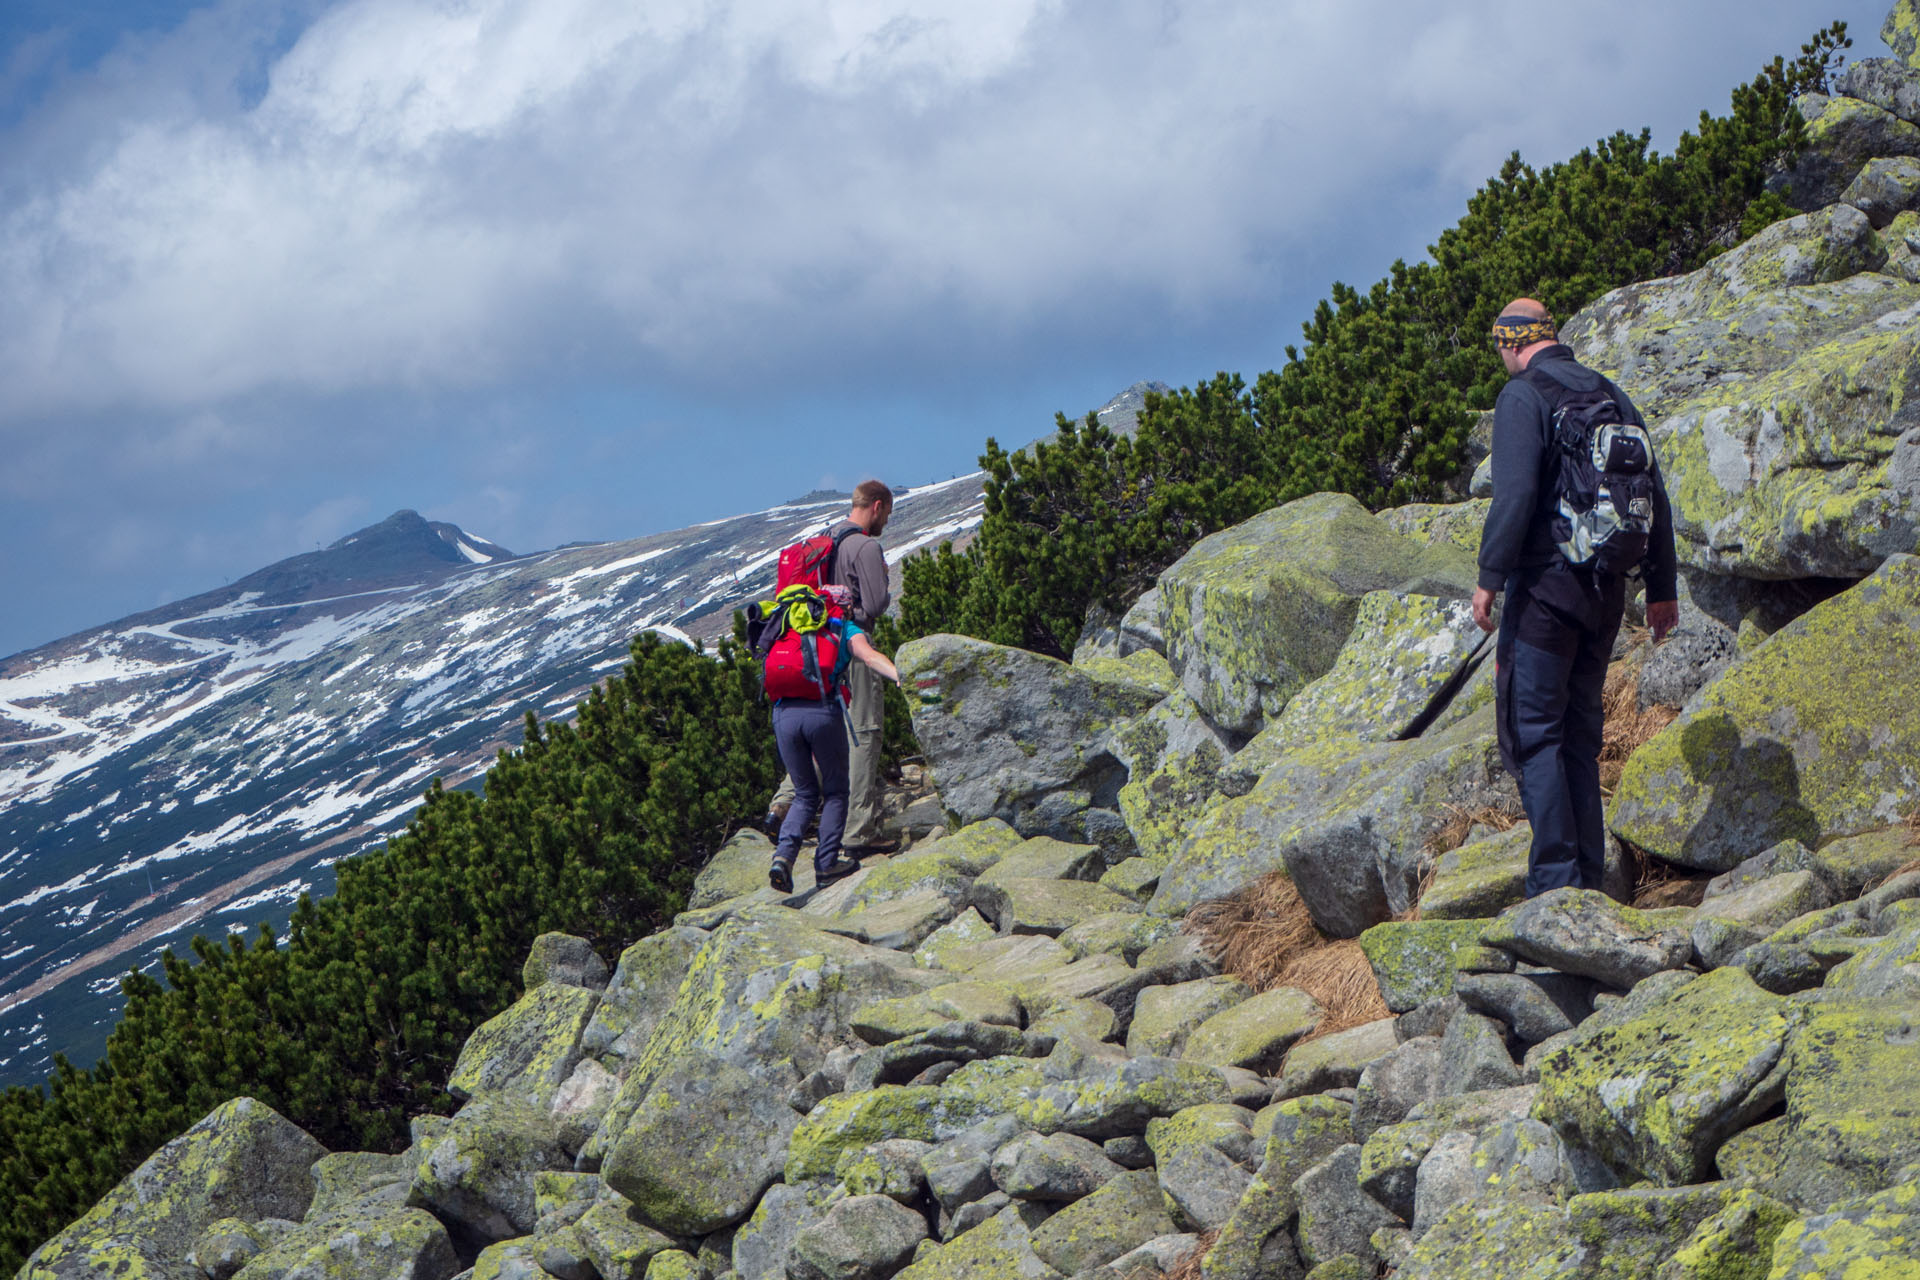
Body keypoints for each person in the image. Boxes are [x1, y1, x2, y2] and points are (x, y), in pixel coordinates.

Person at [1471, 298, 1679, 897]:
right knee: (1582, 740)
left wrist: (1489, 577)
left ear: (1511, 343)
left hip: (1543, 595)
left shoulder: (1523, 396)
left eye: (1498, 346)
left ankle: (1557, 892)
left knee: (1535, 734)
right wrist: (1661, 589)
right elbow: (1653, 493)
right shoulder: (1607, 391)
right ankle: (1594, 884)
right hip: (1605, 594)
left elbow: (1512, 495)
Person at [765, 481, 899, 855]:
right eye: (887, 512)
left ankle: (783, 802)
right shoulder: (865, 546)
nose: (886, 520)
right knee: (864, 730)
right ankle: (858, 831)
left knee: (825, 731)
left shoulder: (826, 540)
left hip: (815, 649)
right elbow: (874, 605)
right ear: (876, 506)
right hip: (852, 645)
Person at [767, 586, 900, 893]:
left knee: (803, 793)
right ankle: (826, 865)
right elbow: (868, 657)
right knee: (837, 791)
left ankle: (783, 858)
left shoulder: (788, 625)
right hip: (822, 714)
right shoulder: (842, 625)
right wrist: (898, 674)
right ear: (845, 606)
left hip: (783, 715)